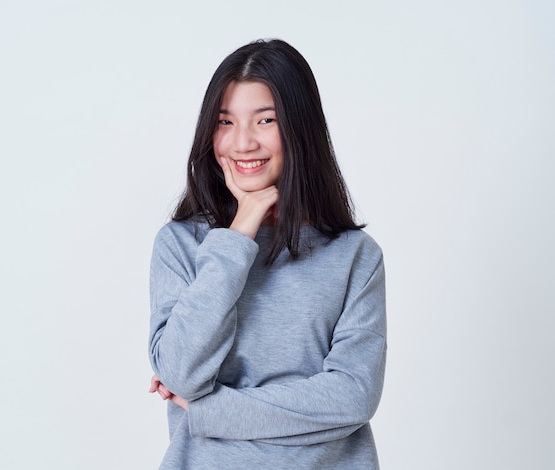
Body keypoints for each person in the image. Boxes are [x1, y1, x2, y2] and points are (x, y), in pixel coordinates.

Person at [148, 38, 386, 469]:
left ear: (300, 128)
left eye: (265, 120)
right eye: (225, 121)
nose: (242, 143)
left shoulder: (355, 256)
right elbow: (181, 373)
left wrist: (209, 410)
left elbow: (352, 397)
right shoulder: (181, 245)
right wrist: (239, 233)